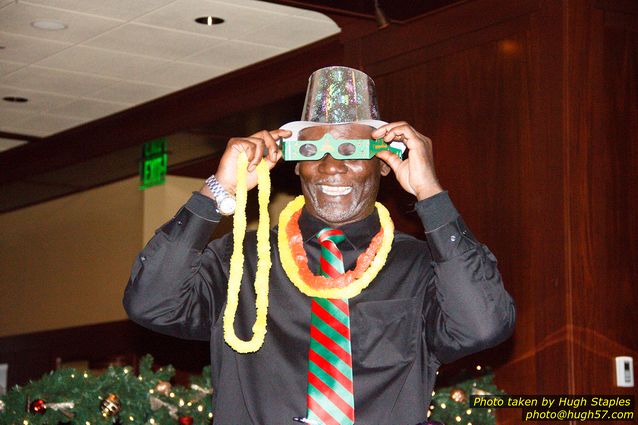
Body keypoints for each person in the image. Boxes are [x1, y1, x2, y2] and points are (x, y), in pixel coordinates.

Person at [123, 66, 515, 425]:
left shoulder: (418, 264)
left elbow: (482, 326)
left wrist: (429, 192)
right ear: (296, 164)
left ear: (384, 162)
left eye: (351, 150)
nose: (331, 166)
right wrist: (219, 191)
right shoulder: (240, 259)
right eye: (312, 151)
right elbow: (151, 303)